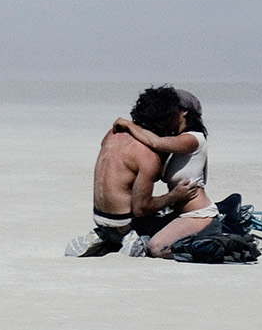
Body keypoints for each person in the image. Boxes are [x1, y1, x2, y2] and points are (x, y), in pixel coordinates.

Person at [65, 86, 199, 257]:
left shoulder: (112, 133)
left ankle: (104, 236)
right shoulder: (147, 154)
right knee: (178, 223)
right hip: (125, 221)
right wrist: (175, 196)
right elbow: (141, 208)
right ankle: (132, 240)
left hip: (101, 218)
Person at [111, 88, 215, 259]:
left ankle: (218, 245)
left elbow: (155, 142)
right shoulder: (177, 142)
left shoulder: (193, 139)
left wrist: (130, 125)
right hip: (178, 213)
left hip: (197, 214)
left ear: (184, 112)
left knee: (157, 248)